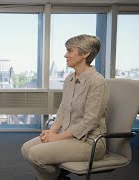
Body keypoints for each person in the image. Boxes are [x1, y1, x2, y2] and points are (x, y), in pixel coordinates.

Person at [21, 34, 109, 180]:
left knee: (36, 154)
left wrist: (57, 137)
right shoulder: (69, 79)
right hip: (67, 136)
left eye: (69, 51)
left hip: (89, 142)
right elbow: (63, 109)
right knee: (26, 149)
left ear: (85, 54)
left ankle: (52, 178)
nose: (65, 55)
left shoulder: (97, 82)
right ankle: (56, 177)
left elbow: (90, 121)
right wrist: (51, 132)